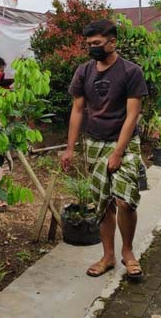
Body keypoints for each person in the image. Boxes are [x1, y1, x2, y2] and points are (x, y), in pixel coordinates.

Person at [60, 19, 148, 282]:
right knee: (103, 203)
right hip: (95, 143)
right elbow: (77, 110)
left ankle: (128, 252)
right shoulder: (84, 72)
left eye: (97, 43)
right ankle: (108, 256)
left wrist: (118, 152)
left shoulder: (131, 72)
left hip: (125, 143)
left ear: (112, 42)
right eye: (89, 44)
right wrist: (69, 148)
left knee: (125, 200)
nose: (93, 48)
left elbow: (132, 116)